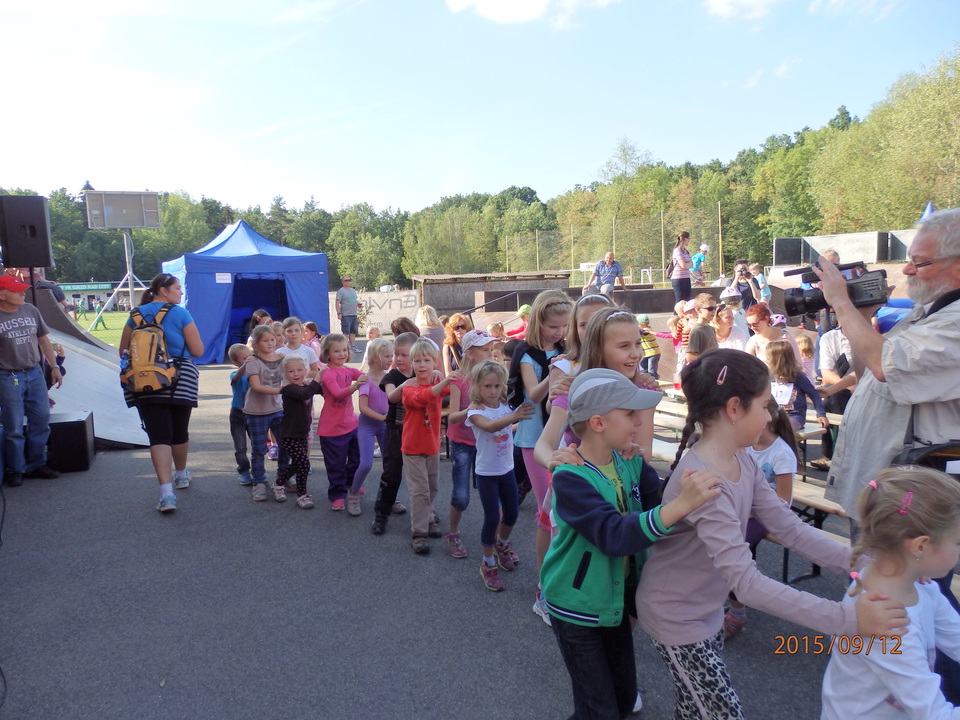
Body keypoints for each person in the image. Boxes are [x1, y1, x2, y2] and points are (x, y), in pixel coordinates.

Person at [636, 349, 908, 719]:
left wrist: (864, 561)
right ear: (734, 408)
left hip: (703, 610)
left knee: (695, 707)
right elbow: (747, 584)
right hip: (676, 618)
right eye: (765, 406)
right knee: (720, 712)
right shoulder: (704, 483)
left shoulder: (741, 459)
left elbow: (789, 527)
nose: (770, 416)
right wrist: (848, 620)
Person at [541, 368, 721, 720]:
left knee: (622, 701)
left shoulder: (630, 464)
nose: (639, 421)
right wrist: (682, 504)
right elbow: (614, 536)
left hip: (614, 598)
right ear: (598, 423)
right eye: (629, 414)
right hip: (576, 604)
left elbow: (656, 510)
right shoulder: (570, 477)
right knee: (599, 710)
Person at [812, 209, 960, 518]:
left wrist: (841, 301)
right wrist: (861, 315)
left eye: (919, 262)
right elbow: (868, 374)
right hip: (886, 492)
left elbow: (883, 366)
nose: (906, 270)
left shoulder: (954, 322)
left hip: (913, 504)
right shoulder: (928, 313)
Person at [822, 466, 960, 719]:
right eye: (957, 542)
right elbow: (936, 715)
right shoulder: (888, 624)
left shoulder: (920, 586)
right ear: (920, 546)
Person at [119, 273, 202, 511]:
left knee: (158, 436)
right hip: (180, 376)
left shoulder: (135, 315)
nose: (181, 292)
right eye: (177, 288)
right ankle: (181, 474)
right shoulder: (180, 313)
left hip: (144, 378)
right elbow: (197, 350)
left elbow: (123, 351)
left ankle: (166, 495)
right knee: (179, 431)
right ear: (163, 291)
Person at [724, 399, 799, 638]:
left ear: (765, 420)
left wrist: (750, 510)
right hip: (744, 510)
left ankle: (737, 612)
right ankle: (728, 595)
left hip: (765, 515)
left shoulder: (781, 453)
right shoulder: (747, 446)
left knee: (734, 551)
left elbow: (783, 502)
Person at [465, 361, 535, 591]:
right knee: (492, 518)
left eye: (497, 386)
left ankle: (501, 545)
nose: (493, 391)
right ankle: (487, 562)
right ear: (477, 386)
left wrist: (519, 421)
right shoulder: (475, 411)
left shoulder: (505, 406)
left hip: (507, 470)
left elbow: (506, 427)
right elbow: (491, 426)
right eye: (487, 386)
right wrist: (515, 416)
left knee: (512, 513)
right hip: (487, 474)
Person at [0, 274, 63, 487]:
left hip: (34, 372)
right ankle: (15, 469)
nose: (23, 293)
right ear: (2, 295)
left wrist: (54, 367)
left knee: (41, 420)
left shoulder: (31, 310)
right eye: (17, 291)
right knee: (14, 426)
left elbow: (43, 340)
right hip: (8, 376)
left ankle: (37, 464)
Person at [443, 329, 498, 558]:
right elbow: (453, 417)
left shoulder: (493, 377)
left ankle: (498, 539)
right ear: (470, 353)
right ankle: (453, 533)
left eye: (491, 350)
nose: (490, 354)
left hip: (486, 442)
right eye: (485, 350)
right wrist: (471, 409)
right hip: (462, 443)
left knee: (494, 495)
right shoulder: (458, 379)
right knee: (461, 496)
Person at [399, 338, 457, 554]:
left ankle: (429, 516)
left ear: (434, 362)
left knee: (433, 487)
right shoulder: (409, 387)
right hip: (412, 448)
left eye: (426, 360)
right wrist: (443, 380)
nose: (421, 365)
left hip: (432, 446)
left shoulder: (438, 382)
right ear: (412, 363)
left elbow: (455, 388)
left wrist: (442, 376)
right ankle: (419, 533)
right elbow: (424, 397)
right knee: (420, 491)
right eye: (417, 361)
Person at [370, 332, 417, 535]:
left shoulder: (423, 373)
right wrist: (410, 383)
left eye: (404, 355)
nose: (398, 359)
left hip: (418, 432)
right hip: (395, 431)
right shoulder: (391, 377)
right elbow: (392, 396)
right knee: (391, 474)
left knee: (421, 477)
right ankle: (382, 513)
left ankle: (426, 514)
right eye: (397, 354)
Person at [318, 333, 366, 511]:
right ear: (327, 354)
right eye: (336, 351)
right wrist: (355, 386)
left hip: (352, 425)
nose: (342, 354)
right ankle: (337, 494)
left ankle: (351, 483)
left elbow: (367, 376)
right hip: (331, 430)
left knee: (356, 459)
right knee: (335, 465)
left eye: (344, 350)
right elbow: (338, 393)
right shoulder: (327, 373)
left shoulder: (348, 370)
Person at [242, 325, 290, 502]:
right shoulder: (253, 362)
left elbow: (294, 372)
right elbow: (257, 387)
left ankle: (283, 478)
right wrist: (282, 390)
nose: (270, 343)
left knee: (285, 444)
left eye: (272, 339)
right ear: (256, 343)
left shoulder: (281, 358)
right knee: (259, 449)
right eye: (265, 340)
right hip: (256, 412)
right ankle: (259, 482)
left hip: (277, 409)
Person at [273, 355, 325, 508]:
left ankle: (278, 483)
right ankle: (302, 495)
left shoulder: (305, 386)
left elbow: (322, 390)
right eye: (291, 371)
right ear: (284, 374)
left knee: (298, 463)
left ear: (306, 370)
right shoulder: (288, 388)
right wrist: (317, 377)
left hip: (302, 432)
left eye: (299, 370)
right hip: (289, 434)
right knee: (303, 463)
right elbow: (305, 395)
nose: (296, 374)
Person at [348, 337, 393, 516]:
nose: (391, 359)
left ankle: (389, 496)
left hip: (385, 426)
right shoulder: (365, 380)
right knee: (366, 464)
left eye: (391, 355)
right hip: (367, 426)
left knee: (390, 464)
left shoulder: (389, 378)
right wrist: (382, 418)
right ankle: (353, 494)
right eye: (387, 356)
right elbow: (363, 408)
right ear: (375, 358)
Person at [811, 325, 856, 471]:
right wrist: (847, 386)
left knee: (834, 399)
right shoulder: (830, 338)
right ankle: (830, 455)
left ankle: (838, 456)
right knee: (833, 399)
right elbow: (826, 373)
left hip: (863, 385)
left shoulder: (866, 336)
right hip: (840, 386)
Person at [766, 339, 829, 432]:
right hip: (774, 414)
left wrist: (821, 414)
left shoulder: (798, 376)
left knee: (783, 429)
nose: (766, 361)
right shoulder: (769, 377)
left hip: (794, 416)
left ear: (777, 360)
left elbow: (814, 394)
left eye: (768, 358)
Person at [227, 343, 253, 486]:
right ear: (235, 363)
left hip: (253, 413)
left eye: (250, 356)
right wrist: (246, 365)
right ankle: (244, 471)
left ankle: (258, 471)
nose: (248, 360)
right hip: (237, 414)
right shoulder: (234, 374)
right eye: (244, 358)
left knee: (258, 445)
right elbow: (236, 378)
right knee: (240, 446)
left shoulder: (255, 374)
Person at [744, 303, 801, 368]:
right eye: (749, 325)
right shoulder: (753, 341)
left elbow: (798, 363)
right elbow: (747, 366)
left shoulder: (785, 336)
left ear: (766, 319)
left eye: (755, 324)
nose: (752, 328)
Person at [685, 293, 719, 363]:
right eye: (710, 308)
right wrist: (708, 361)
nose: (713, 311)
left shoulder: (711, 328)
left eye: (715, 308)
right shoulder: (697, 330)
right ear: (698, 309)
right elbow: (690, 357)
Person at [335, 275, 361, 353]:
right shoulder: (341, 291)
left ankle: (353, 346)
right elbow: (337, 302)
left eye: (349, 280)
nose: (347, 282)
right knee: (346, 332)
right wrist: (339, 313)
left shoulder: (352, 290)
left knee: (353, 332)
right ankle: (345, 348)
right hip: (345, 314)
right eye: (345, 280)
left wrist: (358, 304)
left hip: (353, 314)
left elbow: (354, 299)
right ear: (342, 282)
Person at [669, 232, 694, 304]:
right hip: (678, 279)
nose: (689, 240)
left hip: (687, 278)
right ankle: (677, 312)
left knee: (687, 301)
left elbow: (691, 264)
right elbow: (683, 265)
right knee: (680, 302)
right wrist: (687, 265)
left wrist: (687, 265)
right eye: (689, 238)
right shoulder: (677, 250)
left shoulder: (686, 251)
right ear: (685, 239)